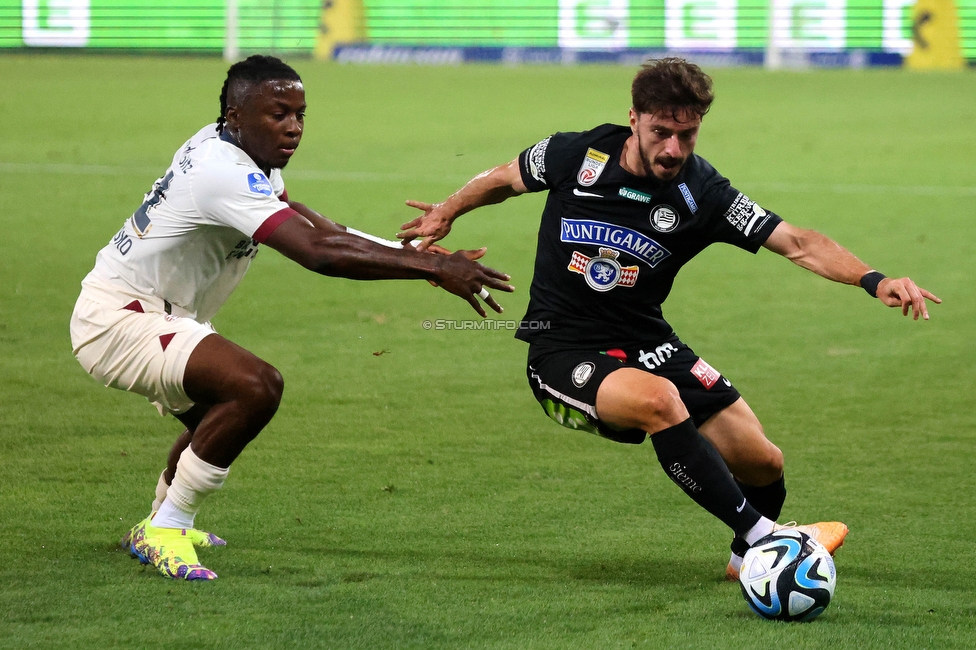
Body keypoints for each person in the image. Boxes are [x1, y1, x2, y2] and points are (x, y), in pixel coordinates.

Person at [397, 57, 940, 580]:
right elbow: (503, 177)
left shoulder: (702, 192)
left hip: (648, 343)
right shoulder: (575, 155)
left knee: (764, 465)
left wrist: (875, 279)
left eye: (688, 134)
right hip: (563, 351)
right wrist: (448, 209)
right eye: (661, 132)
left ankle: (743, 562)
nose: (674, 148)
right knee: (661, 401)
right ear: (633, 118)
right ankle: (768, 542)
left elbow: (796, 242)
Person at [69, 55, 514, 581]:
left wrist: (426, 260)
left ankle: (161, 520)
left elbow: (315, 226)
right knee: (255, 388)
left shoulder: (237, 150)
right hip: (121, 318)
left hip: (152, 312)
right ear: (236, 114)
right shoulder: (220, 171)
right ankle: (166, 528)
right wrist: (421, 267)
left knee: (214, 413)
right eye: (279, 114)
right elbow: (317, 254)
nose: (294, 127)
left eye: (301, 114)